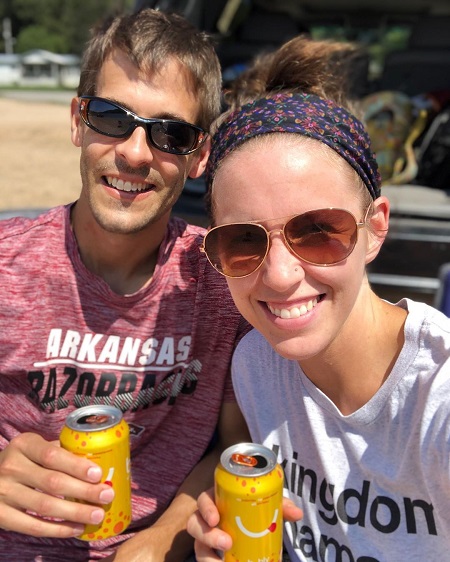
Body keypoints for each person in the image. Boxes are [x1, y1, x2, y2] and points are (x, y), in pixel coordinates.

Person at [0, 8, 251, 562]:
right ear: (77, 121)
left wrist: (160, 541)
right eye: (113, 118)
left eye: (171, 133)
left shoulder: (223, 283)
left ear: (199, 156)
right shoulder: (6, 265)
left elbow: (236, 443)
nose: (136, 153)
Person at [187, 36, 450, 561]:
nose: (281, 277)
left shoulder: (436, 401)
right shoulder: (255, 367)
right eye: (242, 240)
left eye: (318, 231)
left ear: (375, 229)